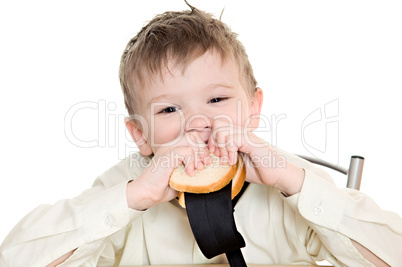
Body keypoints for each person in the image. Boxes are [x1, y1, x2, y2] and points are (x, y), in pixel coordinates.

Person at [0, 4, 400, 267]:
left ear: (253, 108)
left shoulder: (288, 178)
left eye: (217, 99)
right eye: (169, 110)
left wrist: (295, 184)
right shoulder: (130, 185)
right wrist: (133, 197)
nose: (198, 124)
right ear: (141, 135)